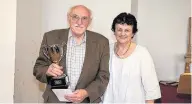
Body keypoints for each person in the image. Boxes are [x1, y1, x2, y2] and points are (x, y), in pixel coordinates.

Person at [33, 5, 110, 103]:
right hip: (55, 100)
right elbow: (38, 68)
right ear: (68, 18)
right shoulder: (50, 37)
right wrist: (47, 71)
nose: (79, 22)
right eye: (75, 17)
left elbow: (103, 76)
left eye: (84, 18)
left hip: (86, 101)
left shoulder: (102, 42)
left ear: (89, 21)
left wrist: (87, 92)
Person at [103, 12, 161, 103]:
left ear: (133, 33)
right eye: (119, 29)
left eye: (127, 30)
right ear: (114, 31)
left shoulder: (142, 53)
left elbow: (151, 87)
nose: (122, 33)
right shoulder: (107, 50)